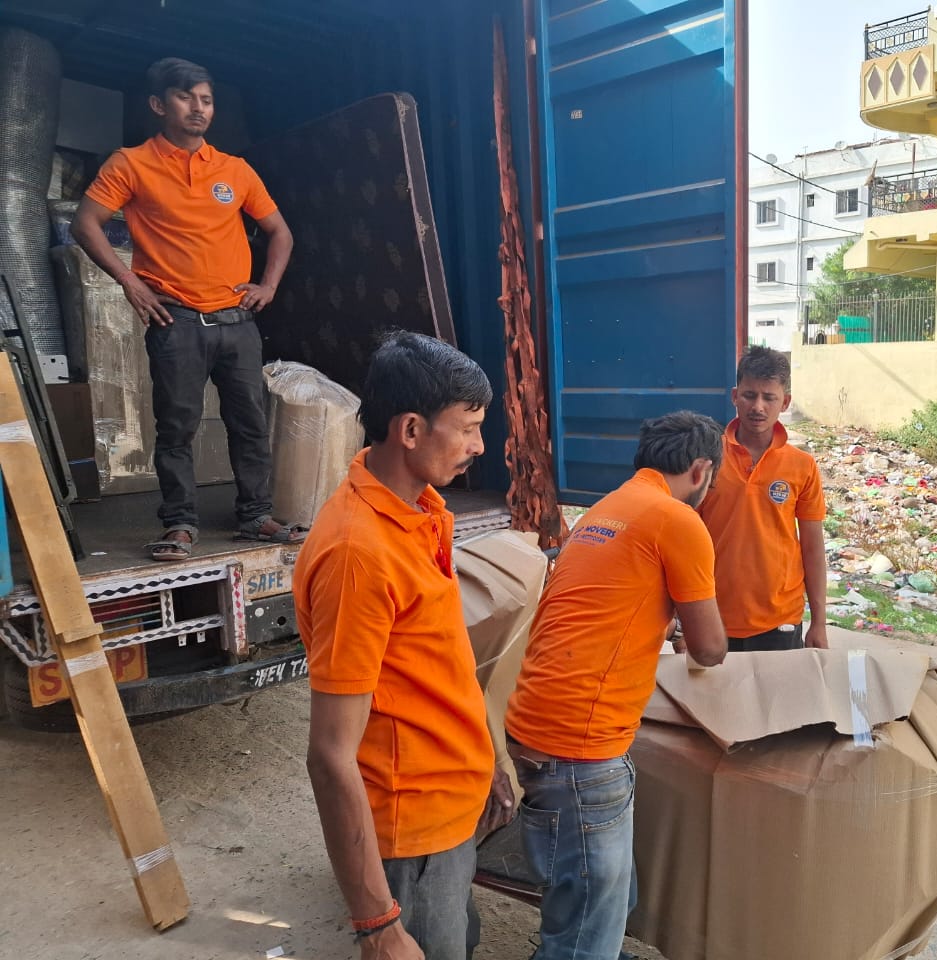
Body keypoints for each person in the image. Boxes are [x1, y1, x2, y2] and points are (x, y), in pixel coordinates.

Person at [295, 332, 514, 960]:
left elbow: (437, 668)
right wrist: (378, 925)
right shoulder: (358, 554)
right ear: (411, 429)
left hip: (450, 803)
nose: (479, 445)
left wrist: (486, 762)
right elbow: (330, 754)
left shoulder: (420, 511)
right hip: (411, 828)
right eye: (468, 428)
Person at [504, 410, 729, 960]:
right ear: (700, 470)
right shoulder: (678, 521)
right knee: (584, 924)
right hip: (581, 749)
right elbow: (710, 649)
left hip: (531, 725)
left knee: (596, 895)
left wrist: (659, 618)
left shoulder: (605, 511)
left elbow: (602, 605)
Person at [72, 57, 302, 561]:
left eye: (206, 100)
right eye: (185, 97)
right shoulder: (130, 164)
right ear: (159, 105)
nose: (198, 108)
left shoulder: (234, 170)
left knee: (249, 424)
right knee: (177, 428)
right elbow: (85, 223)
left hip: (237, 322)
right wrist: (130, 282)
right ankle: (179, 523)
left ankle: (255, 516)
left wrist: (268, 285)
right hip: (175, 321)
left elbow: (280, 231)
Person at [696, 346, 828, 653]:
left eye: (769, 398)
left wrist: (819, 622)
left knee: (775, 701)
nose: (758, 406)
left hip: (779, 620)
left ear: (785, 402)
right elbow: (684, 539)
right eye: (749, 395)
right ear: (734, 396)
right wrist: (681, 618)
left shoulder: (802, 465)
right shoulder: (706, 458)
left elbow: (812, 547)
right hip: (711, 616)